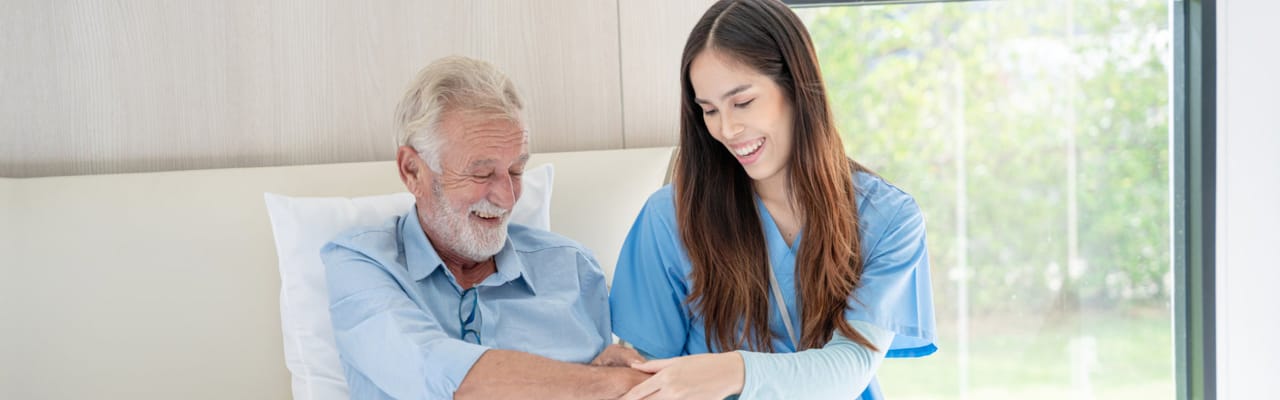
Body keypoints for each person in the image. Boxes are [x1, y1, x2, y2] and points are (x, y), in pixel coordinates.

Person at [608, 0, 937, 399]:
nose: (727, 129)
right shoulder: (669, 218)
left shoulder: (888, 219)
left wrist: (734, 369)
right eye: (709, 111)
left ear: (797, 87)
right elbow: (649, 377)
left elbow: (851, 366)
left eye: (743, 102)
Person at [321, 55, 646, 400]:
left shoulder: (573, 268)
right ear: (412, 170)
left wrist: (600, 378)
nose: (507, 197)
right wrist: (604, 385)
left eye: (517, 171)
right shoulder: (361, 265)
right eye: (481, 173)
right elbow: (433, 371)